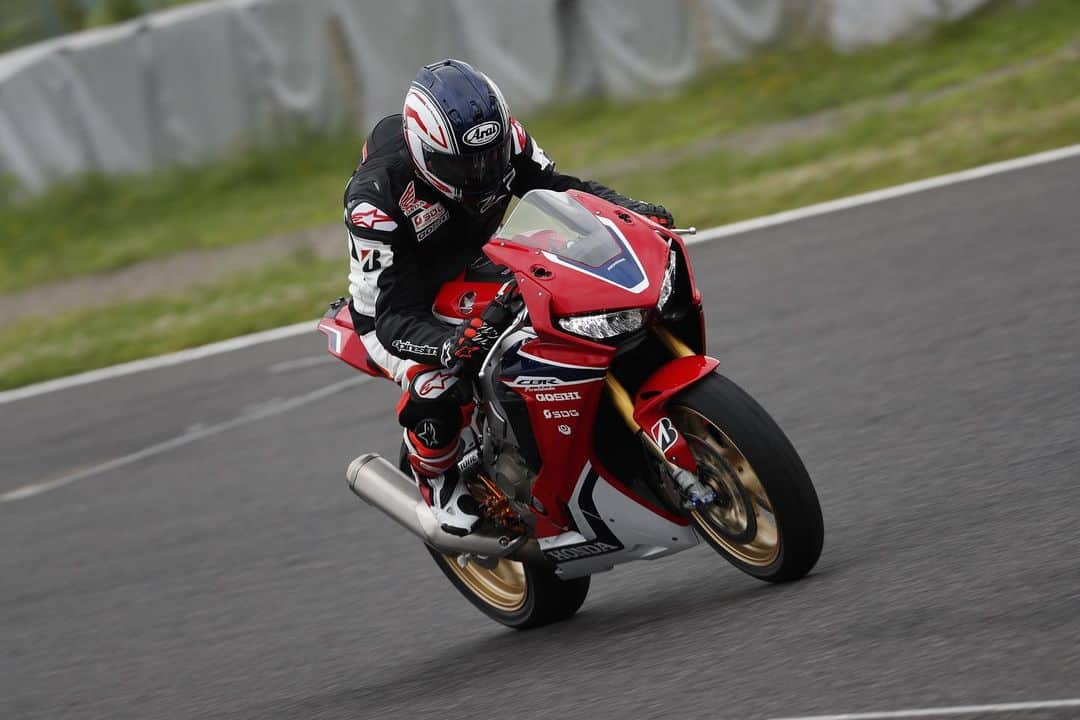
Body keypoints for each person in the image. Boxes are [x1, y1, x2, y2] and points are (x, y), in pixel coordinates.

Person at [343, 59, 675, 536]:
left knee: (568, 283)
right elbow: (391, 316)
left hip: (475, 258)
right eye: (463, 165)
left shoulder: (508, 140)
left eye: (489, 159)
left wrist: (626, 210)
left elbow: (562, 193)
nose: (481, 174)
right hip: (398, 307)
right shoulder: (376, 201)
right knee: (439, 381)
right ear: (425, 155)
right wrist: (449, 345)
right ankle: (436, 478)